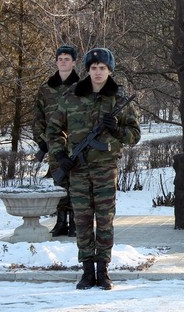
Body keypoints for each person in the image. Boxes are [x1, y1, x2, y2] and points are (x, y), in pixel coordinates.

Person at [47, 48, 141, 290]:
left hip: (105, 169)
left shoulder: (119, 100)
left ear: (110, 70)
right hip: (78, 169)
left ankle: (104, 270)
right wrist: (60, 155)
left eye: (102, 68)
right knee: (82, 220)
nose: (98, 73)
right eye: (94, 68)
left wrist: (117, 130)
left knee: (105, 220)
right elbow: (54, 130)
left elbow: (135, 136)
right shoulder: (71, 97)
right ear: (87, 70)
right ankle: (87, 270)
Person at [32, 44, 80, 237]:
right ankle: (61, 222)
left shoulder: (82, 87)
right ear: (56, 61)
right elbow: (38, 117)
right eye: (60, 59)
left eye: (67, 59)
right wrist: (42, 141)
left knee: (76, 182)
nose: (63, 62)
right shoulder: (46, 88)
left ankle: (76, 222)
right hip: (54, 144)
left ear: (74, 62)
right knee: (59, 181)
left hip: (76, 143)